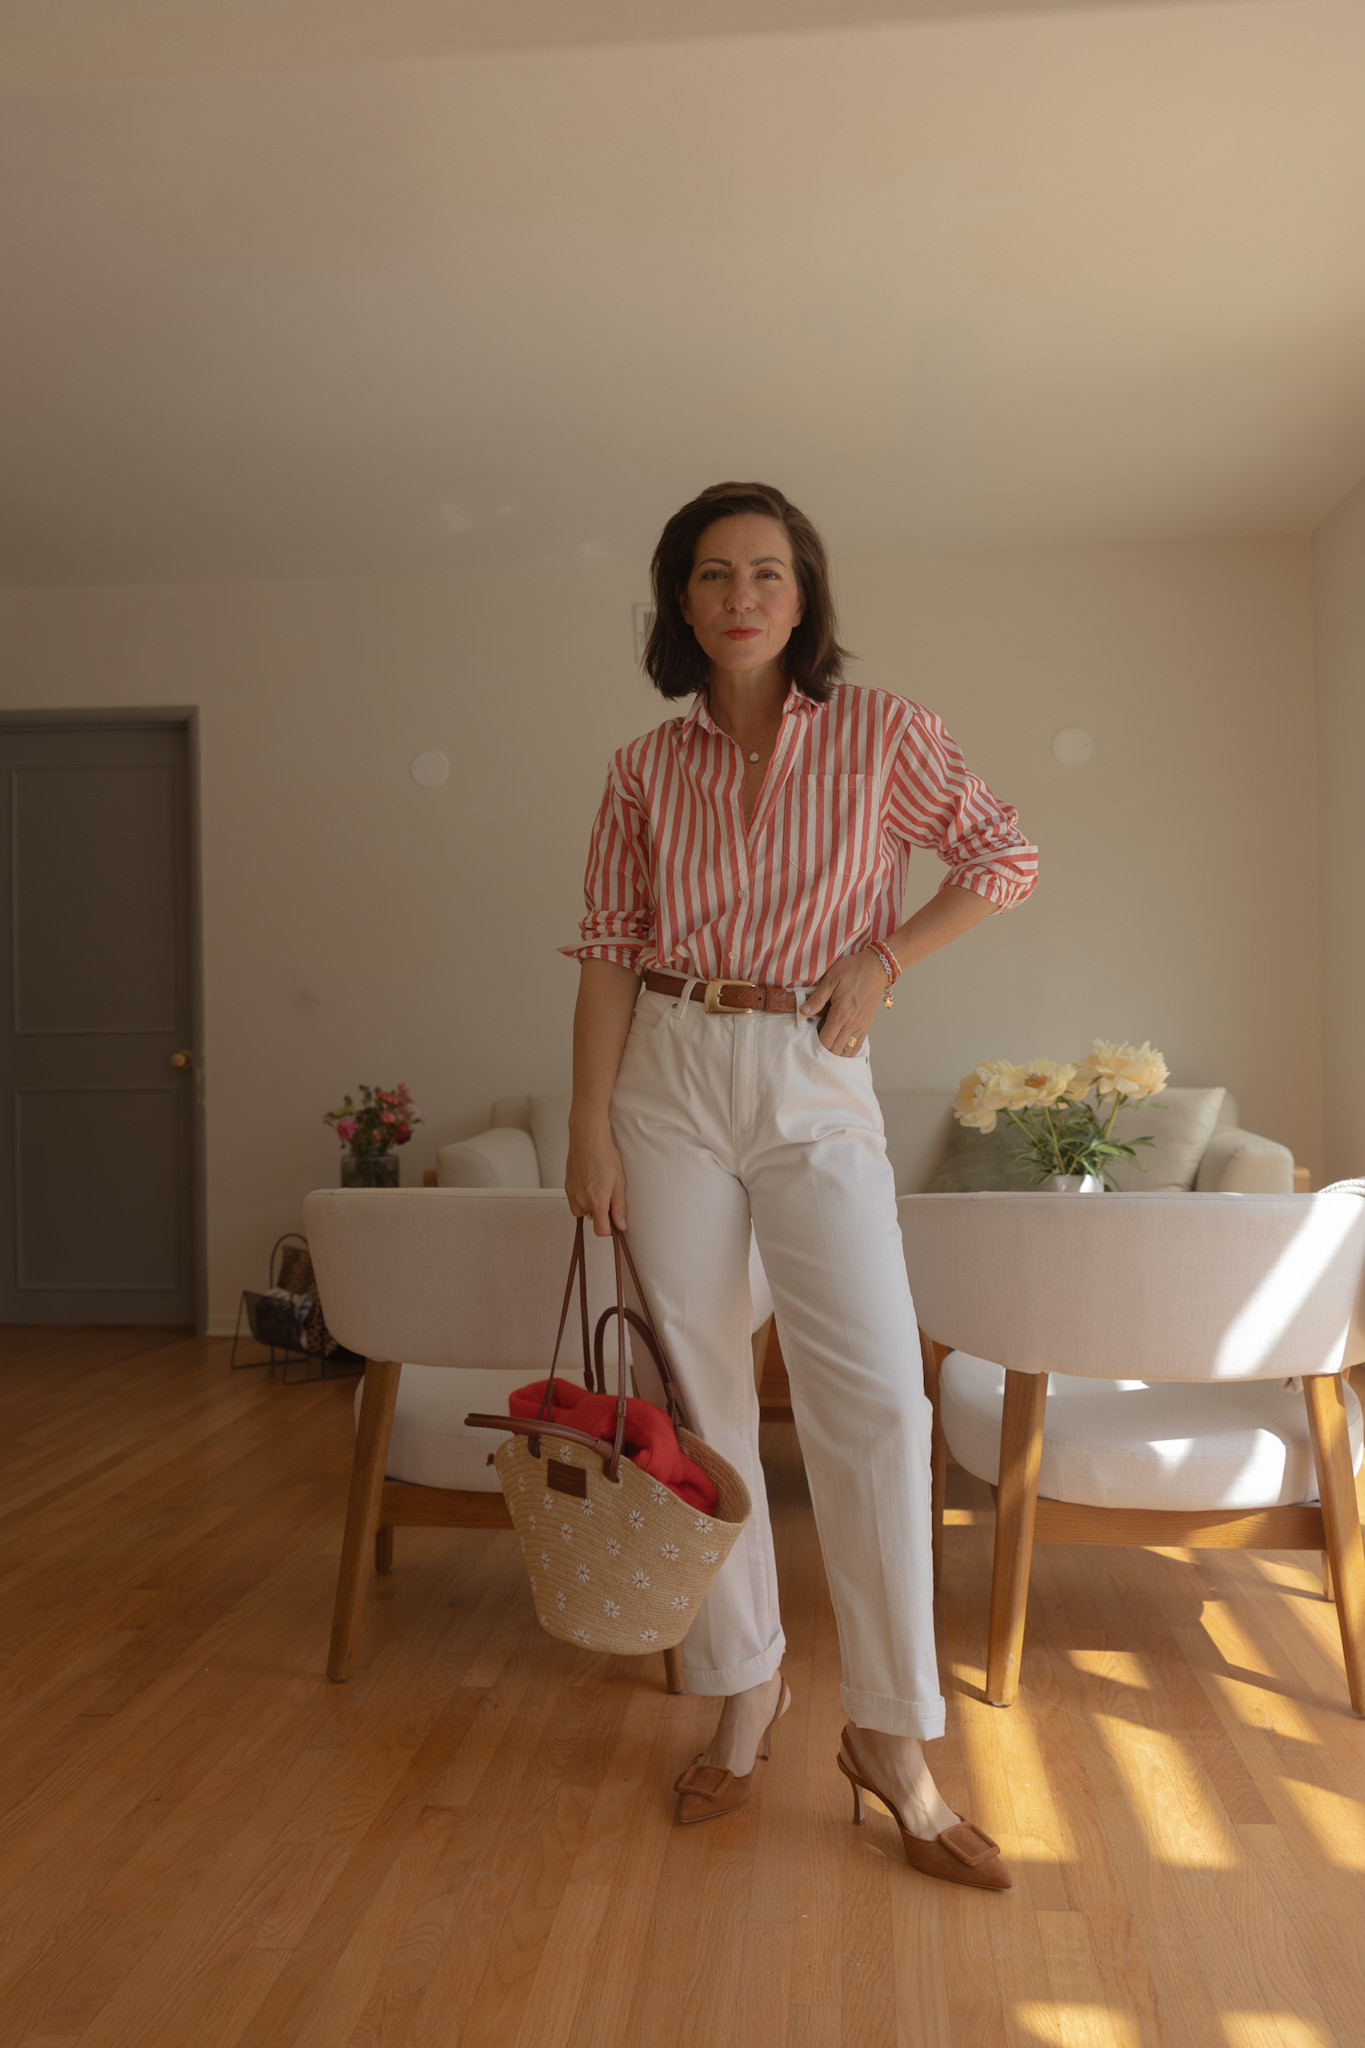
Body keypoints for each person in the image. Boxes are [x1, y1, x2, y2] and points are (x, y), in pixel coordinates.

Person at [562, 481, 1037, 1890]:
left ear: (803, 593)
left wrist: (883, 956)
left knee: (877, 1397)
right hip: (669, 1075)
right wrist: (587, 1128)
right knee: (700, 1397)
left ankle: (892, 1736)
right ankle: (744, 1685)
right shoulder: (642, 767)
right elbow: (602, 950)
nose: (741, 596)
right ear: (681, 604)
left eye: (766, 571)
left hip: (812, 1073)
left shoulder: (882, 732)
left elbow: (1003, 858)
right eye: (711, 575)